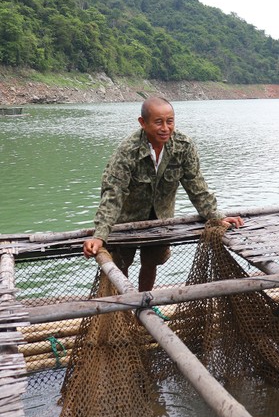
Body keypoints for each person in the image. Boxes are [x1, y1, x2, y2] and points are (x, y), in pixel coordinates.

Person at [83, 96, 244, 290]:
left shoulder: (183, 146)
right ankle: (124, 309)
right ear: (143, 123)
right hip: (126, 220)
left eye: (170, 121)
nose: (165, 128)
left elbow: (197, 187)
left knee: (151, 263)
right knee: (120, 264)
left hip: (161, 219)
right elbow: (113, 193)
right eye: (158, 122)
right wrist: (100, 234)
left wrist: (217, 217)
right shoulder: (128, 151)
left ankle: (146, 302)